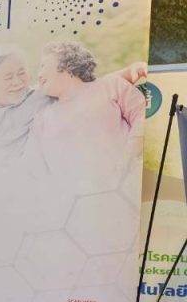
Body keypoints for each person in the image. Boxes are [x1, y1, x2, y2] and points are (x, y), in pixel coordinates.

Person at [33, 40, 145, 190]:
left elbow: (141, 117)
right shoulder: (41, 118)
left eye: (43, 66)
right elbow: (36, 169)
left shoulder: (110, 86)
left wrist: (127, 160)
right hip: (75, 197)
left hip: (125, 187)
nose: (39, 75)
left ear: (66, 66)